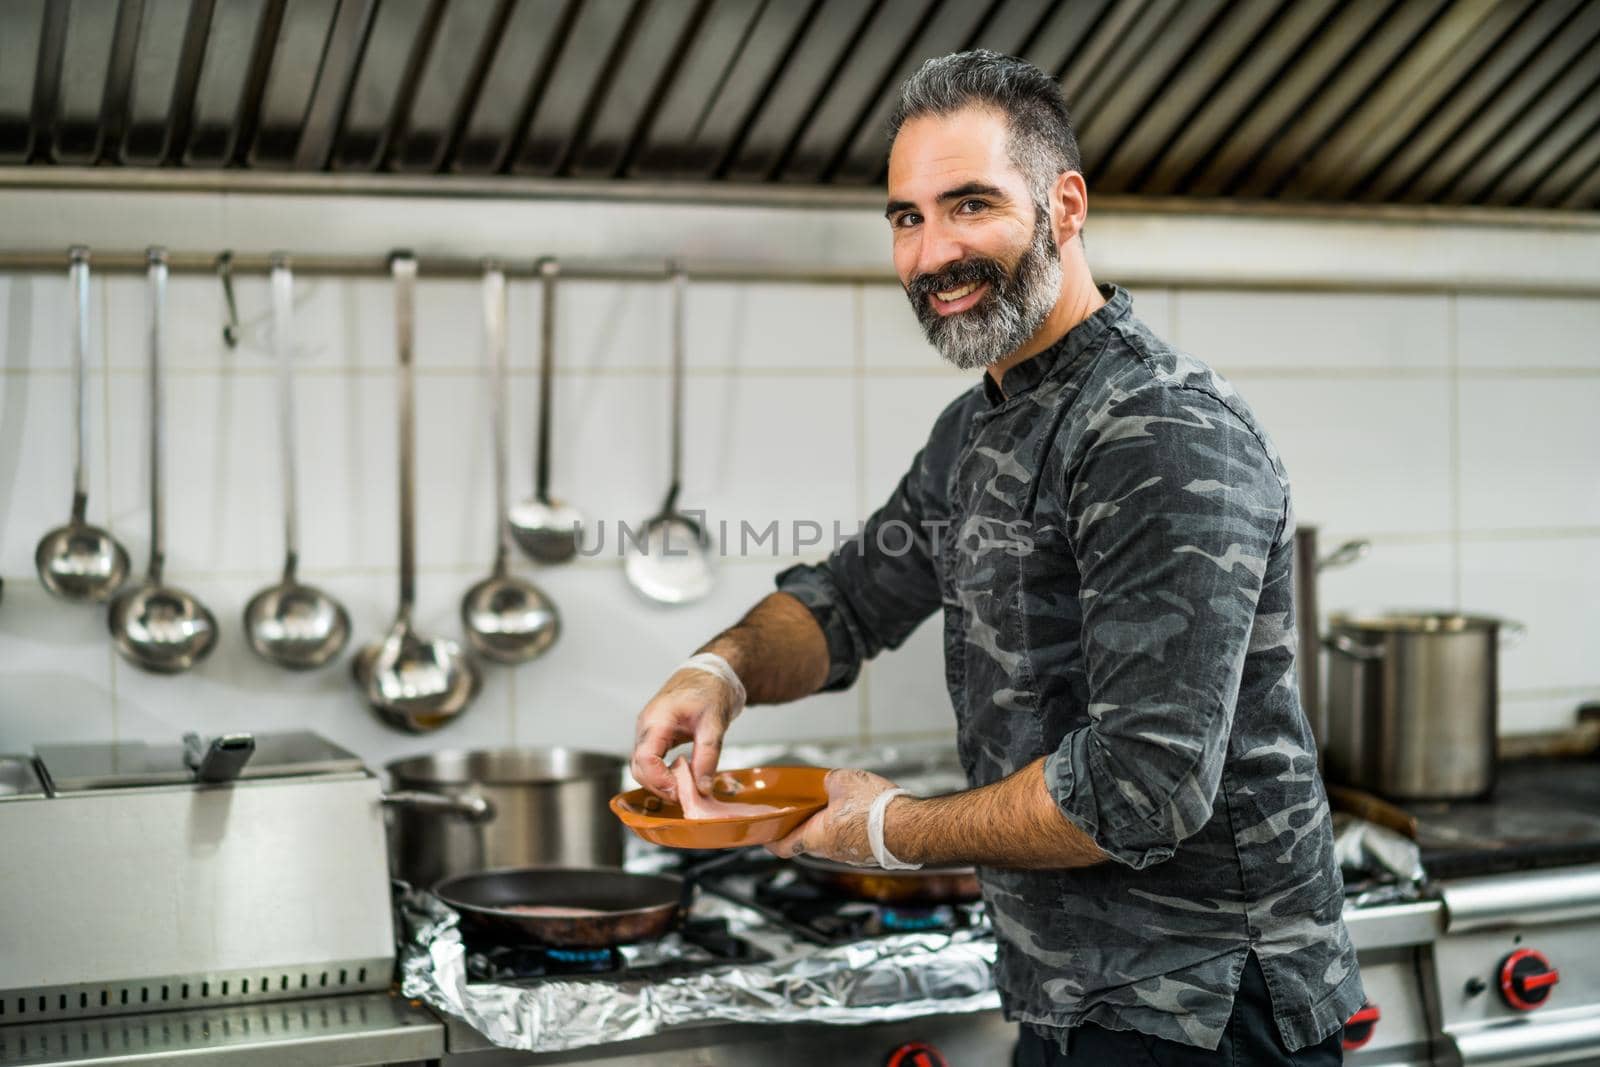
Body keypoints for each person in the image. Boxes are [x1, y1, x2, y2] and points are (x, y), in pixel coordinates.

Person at [630, 51, 1361, 1065]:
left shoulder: (1157, 429)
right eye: (906, 217)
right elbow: (848, 598)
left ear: (1065, 205)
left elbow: (1143, 784)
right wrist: (720, 672)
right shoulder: (976, 430)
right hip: (1066, 996)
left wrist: (892, 831)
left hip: (1202, 1004)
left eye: (969, 205)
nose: (933, 254)